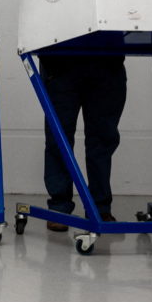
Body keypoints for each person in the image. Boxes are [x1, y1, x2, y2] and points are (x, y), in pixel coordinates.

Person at [40, 55, 126, 231]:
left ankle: (99, 208)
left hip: (107, 59)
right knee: (58, 139)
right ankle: (59, 208)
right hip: (60, 61)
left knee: (102, 140)